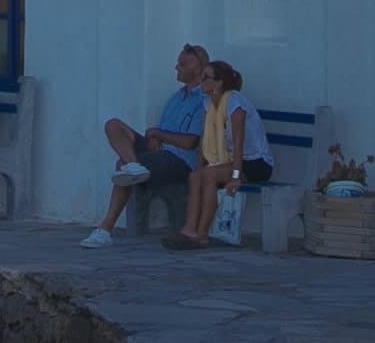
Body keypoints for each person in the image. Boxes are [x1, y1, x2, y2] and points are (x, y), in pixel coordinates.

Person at [79, 44, 210, 247]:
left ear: (197, 69)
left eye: (182, 64)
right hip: (161, 153)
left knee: (121, 166)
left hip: (181, 160)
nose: (176, 68)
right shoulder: (176, 98)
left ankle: (105, 229)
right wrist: (155, 138)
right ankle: (134, 166)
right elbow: (161, 131)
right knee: (113, 125)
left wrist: (158, 134)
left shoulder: (204, 101)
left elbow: (190, 142)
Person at [165, 60, 275, 250]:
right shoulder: (208, 102)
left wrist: (235, 177)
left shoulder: (234, 102)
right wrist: (199, 167)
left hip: (255, 162)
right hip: (231, 161)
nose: (201, 81)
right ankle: (189, 230)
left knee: (210, 175)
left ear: (219, 83)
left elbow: (239, 143)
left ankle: (201, 235)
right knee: (196, 176)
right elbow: (205, 139)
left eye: (206, 78)